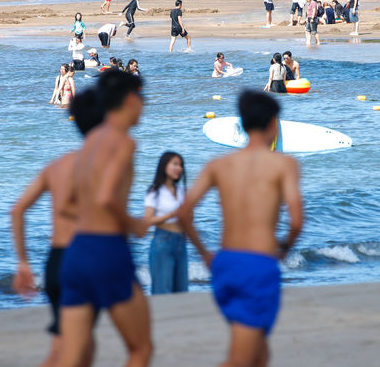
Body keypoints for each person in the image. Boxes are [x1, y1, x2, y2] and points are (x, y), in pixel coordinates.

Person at [177, 90, 303, 367]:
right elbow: (296, 222)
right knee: (241, 358)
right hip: (258, 264)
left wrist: (206, 254)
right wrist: (282, 251)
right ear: (273, 124)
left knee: (258, 355)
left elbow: (184, 212)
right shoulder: (284, 164)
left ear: (243, 125)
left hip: (225, 262)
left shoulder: (219, 165)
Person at [56, 70, 152, 366]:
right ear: (130, 98)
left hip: (76, 253)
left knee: (72, 357)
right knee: (140, 349)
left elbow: (70, 203)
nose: (145, 104)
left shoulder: (88, 143)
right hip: (107, 250)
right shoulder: (123, 142)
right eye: (142, 97)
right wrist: (132, 223)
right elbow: (107, 196)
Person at [11, 87, 105, 367]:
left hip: (56, 261)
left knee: (74, 345)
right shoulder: (102, 166)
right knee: (73, 350)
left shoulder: (57, 166)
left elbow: (17, 211)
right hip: (84, 259)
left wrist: (23, 263)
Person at [144, 152, 188, 294]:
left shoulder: (182, 191)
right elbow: (148, 220)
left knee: (182, 292)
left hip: (181, 242)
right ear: (164, 166)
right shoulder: (155, 192)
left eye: (180, 165)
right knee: (162, 291)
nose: (178, 168)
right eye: (174, 164)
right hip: (163, 241)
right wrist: (172, 214)